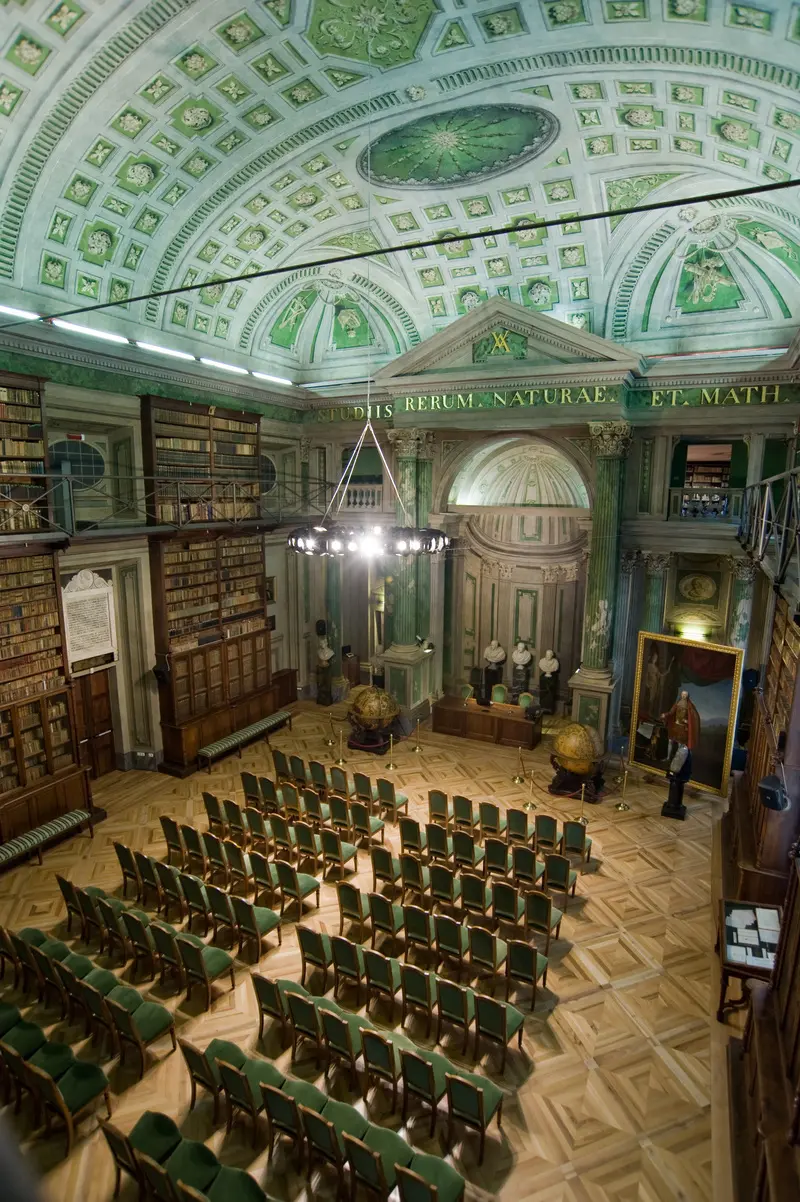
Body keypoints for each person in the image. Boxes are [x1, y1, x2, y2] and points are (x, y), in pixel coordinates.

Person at [661, 689, 700, 760]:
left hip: (682, 728)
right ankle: (668, 758)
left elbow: (693, 718)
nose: (683, 696)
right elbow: (671, 712)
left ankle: (677, 760)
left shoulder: (690, 706)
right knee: (670, 741)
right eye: (682, 694)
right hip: (675, 726)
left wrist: (687, 721)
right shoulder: (677, 703)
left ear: (687, 696)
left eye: (685, 695)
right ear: (681, 695)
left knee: (680, 745)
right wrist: (665, 715)